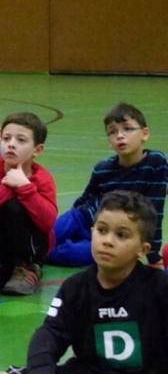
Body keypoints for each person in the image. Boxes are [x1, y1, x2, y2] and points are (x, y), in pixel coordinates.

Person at [0, 191, 168, 374]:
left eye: (122, 235)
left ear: (143, 249)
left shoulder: (158, 287)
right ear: (92, 232)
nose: (107, 241)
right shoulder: (76, 287)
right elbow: (47, 339)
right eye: (102, 230)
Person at [49, 103, 166, 268]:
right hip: (82, 217)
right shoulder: (102, 168)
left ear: (144, 134)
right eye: (113, 132)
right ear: (109, 141)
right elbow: (85, 198)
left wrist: (153, 254)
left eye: (127, 129)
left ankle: (35, 254)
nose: (120, 136)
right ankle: (29, 250)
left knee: (71, 254)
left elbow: (155, 209)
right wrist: (71, 219)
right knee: (48, 236)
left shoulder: (156, 163)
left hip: (109, 233)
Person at [0, 112, 57, 296]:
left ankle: (29, 267)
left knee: (14, 206)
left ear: (37, 149)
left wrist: (25, 187)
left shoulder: (43, 178)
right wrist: (9, 185)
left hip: (31, 246)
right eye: (7, 138)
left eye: (21, 140)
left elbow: (47, 221)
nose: (11, 144)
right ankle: (10, 271)